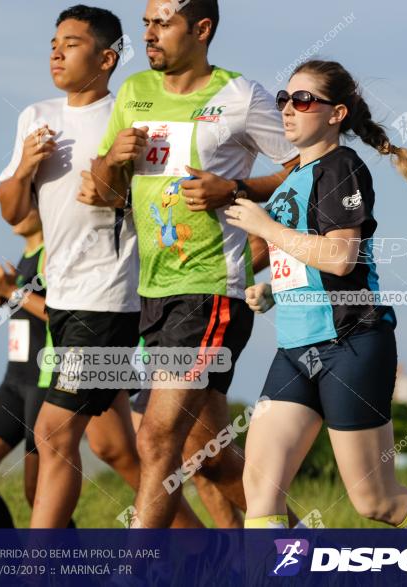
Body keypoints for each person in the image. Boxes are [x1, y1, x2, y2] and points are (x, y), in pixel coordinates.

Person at [90, 0, 301, 528]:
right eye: (146, 23)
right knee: (201, 454)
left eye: (162, 23)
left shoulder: (240, 96)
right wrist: (112, 161)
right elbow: (105, 193)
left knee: (156, 436)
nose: (149, 34)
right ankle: (300, 547)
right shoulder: (134, 92)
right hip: (154, 290)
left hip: (211, 291)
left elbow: (305, 168)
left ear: (202, 29)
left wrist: (234, 188)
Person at [0, 5, 201, 528]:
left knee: (52, 433)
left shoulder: (132, 116)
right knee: (116, 448)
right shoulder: (35, 116)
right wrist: (24, 168)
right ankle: (203, 549)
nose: (56, 52)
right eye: (52, 43)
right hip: (63, 301)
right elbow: (14, 212)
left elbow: (168, 203)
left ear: (107, 58)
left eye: (72, 43)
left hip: (110, 299)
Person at [227, 59, 407, 529]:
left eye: (304, 100)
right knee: (261, 495)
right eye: (284, 99)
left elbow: (340, 257)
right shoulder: (292, 180)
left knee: (375, 501)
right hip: (294, 350)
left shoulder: (341, 167)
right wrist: (276, 290)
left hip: (350, 344)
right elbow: (310, 264)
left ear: (337, 114)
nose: (289, 108)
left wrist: (265, 227)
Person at [0, 210, 50, 527]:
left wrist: (12, 294)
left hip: (43, 383)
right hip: (14, 381)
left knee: (38, 495)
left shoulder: (51, 252)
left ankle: (71, 571)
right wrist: (6, 300)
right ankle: (13, 569)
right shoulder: (26, 256)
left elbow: (62, 313)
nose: (10, 210)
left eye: (22, 202)